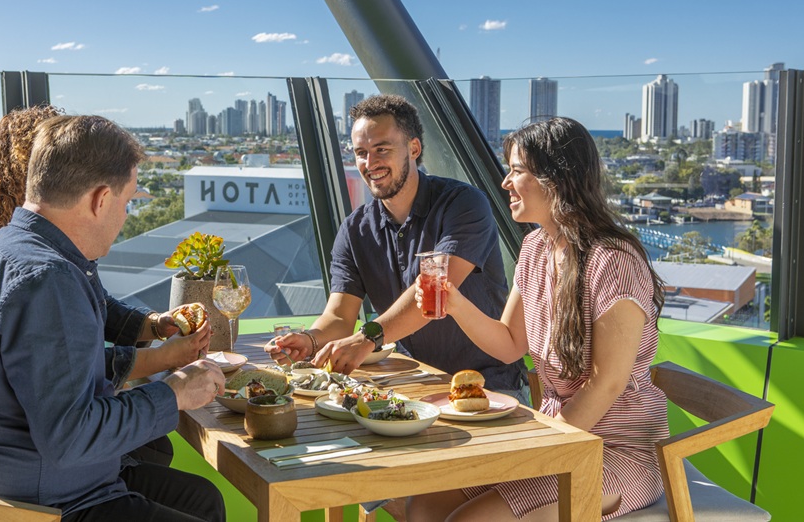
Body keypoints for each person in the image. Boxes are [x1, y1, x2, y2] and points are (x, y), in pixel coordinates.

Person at [408, 117, 669, 521]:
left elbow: (608, 383)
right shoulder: (534, 248)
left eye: (516, 171)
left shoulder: (613, 261)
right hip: (557, 432)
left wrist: (541, 450)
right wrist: (455, 303)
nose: (505, 183)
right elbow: (510, 344)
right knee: (424, 505)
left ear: (556, 179)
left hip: (616, 452)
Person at [0, 115, 226, 521]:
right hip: (51, 503)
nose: (125, 217)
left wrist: (152, 333)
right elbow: (71, 438)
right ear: (101, 199)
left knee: (202, 500)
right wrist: (175, 393)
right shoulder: (48, 280)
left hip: (21, 480)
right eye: (126, 203)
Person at [265, 94, 528, 400]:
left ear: (413, 148)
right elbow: (339, 317)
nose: (370, 163)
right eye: (361, 153)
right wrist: (310, 341)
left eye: (382, 149)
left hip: (487, 388)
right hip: (409, 386)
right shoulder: (354, 230)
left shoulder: (464, 204)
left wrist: (368, 337)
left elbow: (435, 291)